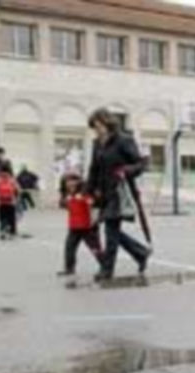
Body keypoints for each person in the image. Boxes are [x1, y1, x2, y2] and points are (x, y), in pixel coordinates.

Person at [86, 108, 151, 281]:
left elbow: (141, 164)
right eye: (94, 127)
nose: (96, 130)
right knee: (111, 232)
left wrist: (126, 170)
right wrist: (88, 192)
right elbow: (94, 169)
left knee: (110, 230)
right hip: (103, 194)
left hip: (119, 191)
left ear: (106, 122)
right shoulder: (97, 143)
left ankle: (107, 270)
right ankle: (141, 252)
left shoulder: (124, 140)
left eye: (98, 126)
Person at [59, 173, 103, 277]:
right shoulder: (66, 194)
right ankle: (69, 269)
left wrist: (84, 199)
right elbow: (62, 204)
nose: (70, 183)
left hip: (87, 226)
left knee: (95, 248)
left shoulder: (85, 191)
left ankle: (105, 265)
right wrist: (66, 201)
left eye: (73, 181)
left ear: (78, 182)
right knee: (69, 248)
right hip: (74, 226)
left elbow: (94, 202)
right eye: (68, 182)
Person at [0, 167, 19, 240]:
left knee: (2, 218)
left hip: (1, 203)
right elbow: (17, 191)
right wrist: (15, 199)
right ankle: (12, 232)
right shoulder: (12, 180)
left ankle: (2, 232)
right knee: (12, 218)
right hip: (11, 202)